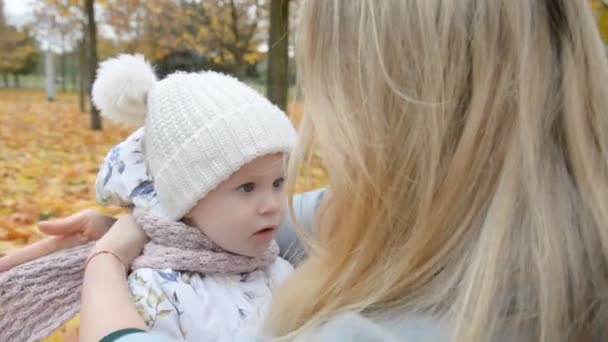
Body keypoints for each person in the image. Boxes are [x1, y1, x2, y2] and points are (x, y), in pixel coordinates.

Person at [5, 0, 608, 341]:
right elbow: (305, 217)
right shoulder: (564, 231)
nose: (271, 202)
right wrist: (154, 225)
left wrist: (106, 264)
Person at [0, 53, 302, 342]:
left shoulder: (282, 271)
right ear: (187, 198)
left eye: (278, 182)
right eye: (247, 188)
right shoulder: (159, 292)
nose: (273, 205)